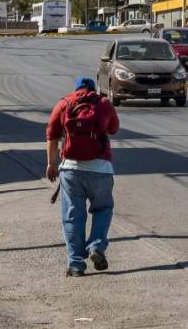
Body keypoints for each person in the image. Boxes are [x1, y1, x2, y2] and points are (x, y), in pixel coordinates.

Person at [46, 76, 120, 276]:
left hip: (70, 170)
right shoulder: (103, 103)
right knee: (103, 209)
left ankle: (76, 264)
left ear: (77, 89)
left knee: (72, 217)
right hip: (101, 169)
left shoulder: (65, 103)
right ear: (93, 89)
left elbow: (51, 134)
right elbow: (113, 129)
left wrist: (51, 164)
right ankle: (96, 246)